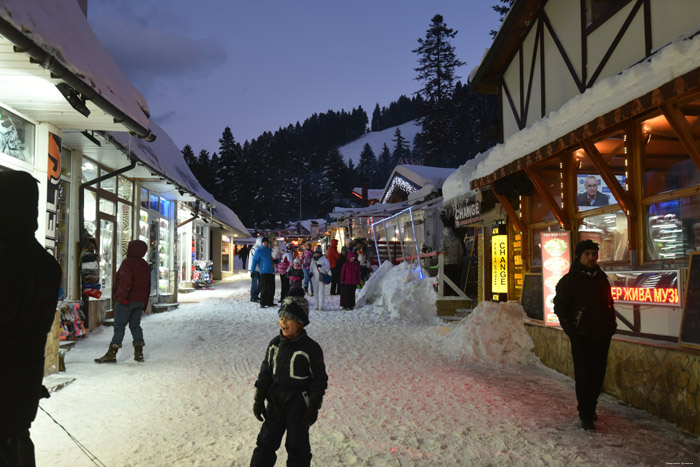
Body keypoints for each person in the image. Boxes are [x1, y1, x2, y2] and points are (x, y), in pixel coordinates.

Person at [0, 171, 62, 466]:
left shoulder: (8, 259)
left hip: (6, 385)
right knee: (17, 441)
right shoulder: (44, 262)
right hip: (22, 382)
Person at [250, 292, 328, 467]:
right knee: (266, 442)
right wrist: (259, 398)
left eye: (288, 318)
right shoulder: (274, 345)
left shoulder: (311, 348)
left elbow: (319, 380)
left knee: (297, 446)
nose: (283, 322)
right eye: (281, 317)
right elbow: (265, 372)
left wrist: (314, 406)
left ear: (300, 322)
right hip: (276, 401)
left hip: (299, 404)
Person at [553, 239, 617, 432]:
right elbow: (560, 308)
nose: (591, 258)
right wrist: (572, 331)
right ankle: (585, 414)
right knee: (584, 375)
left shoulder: (601, 277)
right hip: (581, 336)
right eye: (587, 254)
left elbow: (609, 302)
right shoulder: (569, 281)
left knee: (598, 374)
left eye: (594, 254)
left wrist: (611, 324)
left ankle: (591, 406)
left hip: (602, 334)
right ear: (579, 256)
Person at [95, 240, 151, 363]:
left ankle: (112, 353)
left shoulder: (128, 263)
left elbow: (125, 282)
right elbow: (147, 286)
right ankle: (139, 352)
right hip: (139, 301)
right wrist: (144, 303)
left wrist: (120, 298)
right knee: (135, 326)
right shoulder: (145, 265)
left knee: (119, 328)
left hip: (126, 300)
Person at [251, 237, 276, 308]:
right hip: (264, 272)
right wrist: (252, 271)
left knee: (271, 288)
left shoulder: (270, 250)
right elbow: (254, 261)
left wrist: (276, 261)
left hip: (271, 272)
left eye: (267, 242)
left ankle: (270, 302)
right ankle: (263, 303)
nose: (266, 244)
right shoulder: (259, 251)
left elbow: (274, 258)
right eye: (265, 242)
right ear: (262, 243)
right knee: (264, 288)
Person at [249, 237, 263, 302]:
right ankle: (253, 296)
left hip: (255, 268)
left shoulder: (255, 247)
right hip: (255, 269)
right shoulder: (256, 248)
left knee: (257, 283)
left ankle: (254, 296)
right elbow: (257, 259)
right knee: (255, 283)